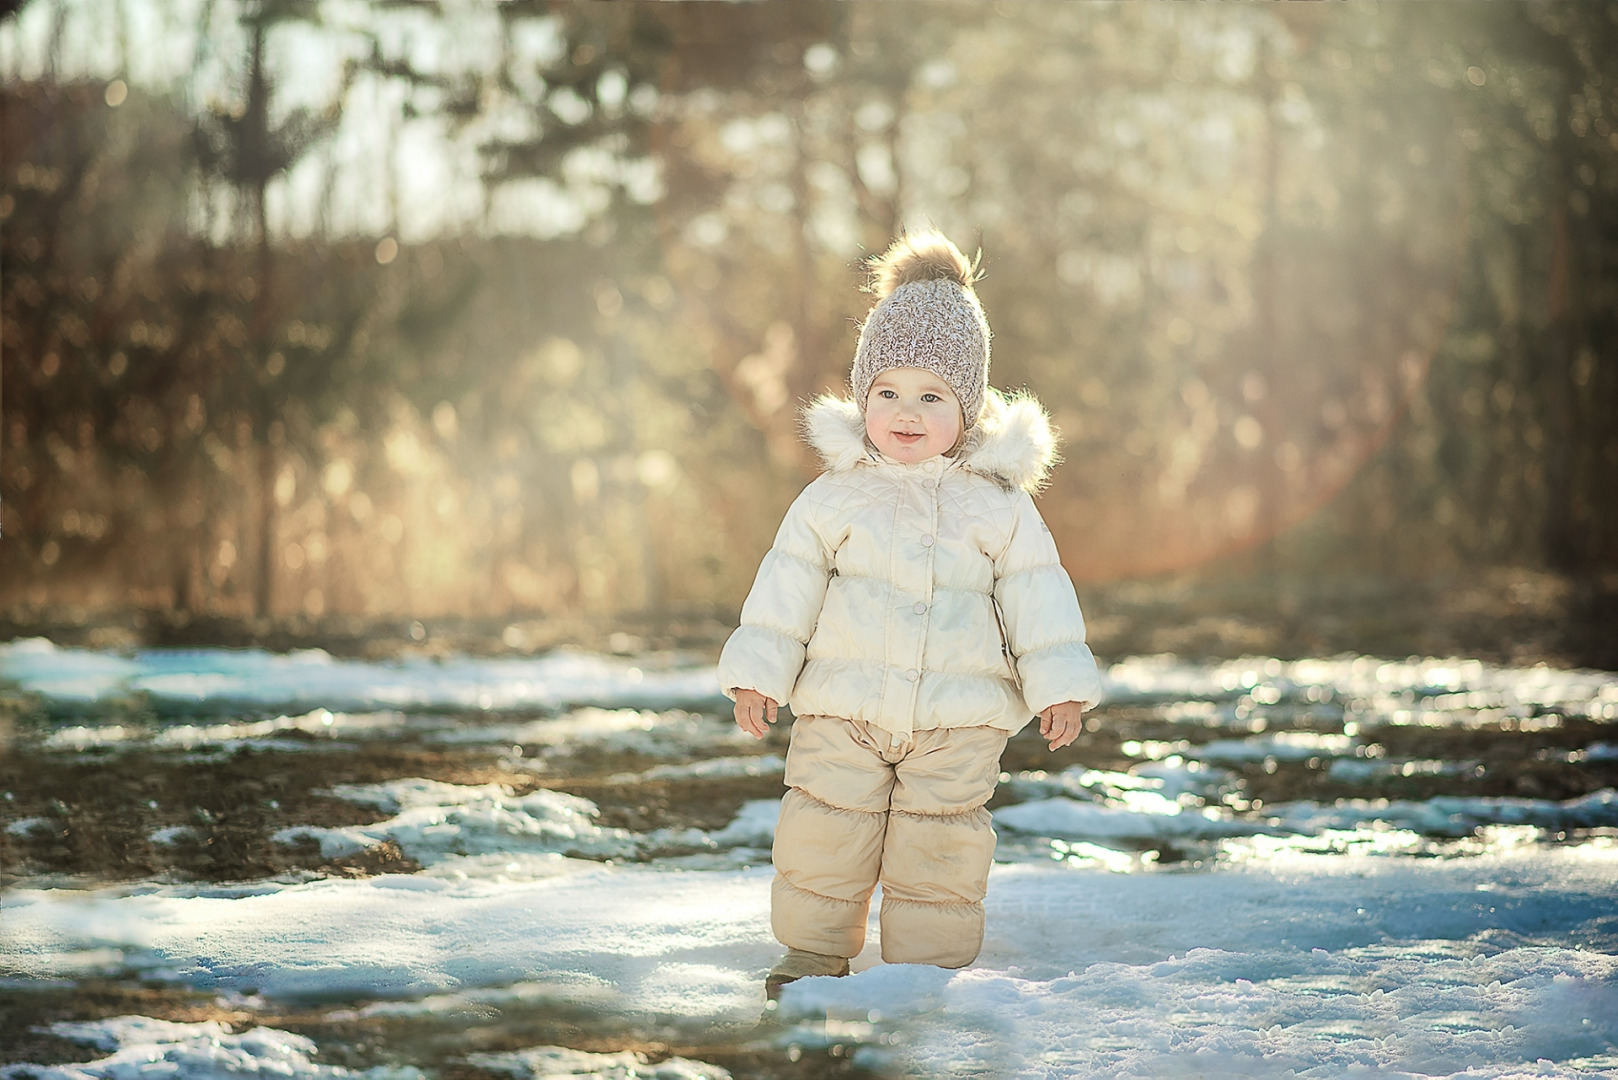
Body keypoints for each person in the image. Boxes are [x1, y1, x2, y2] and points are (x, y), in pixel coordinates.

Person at [717, 231, 1104, 998]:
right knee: (825, 831)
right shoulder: (836, 494)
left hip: (957, 721)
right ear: (863, 397)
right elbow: (784, 592)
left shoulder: (997, 505)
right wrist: (759, 675)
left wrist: (1059, 683)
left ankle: (925, 973)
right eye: (888, 392)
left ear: (969, 408)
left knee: (940, 849)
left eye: (933, 397)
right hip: (842, 711)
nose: (907, 412)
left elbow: (1039, 595)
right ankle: (813, 955)